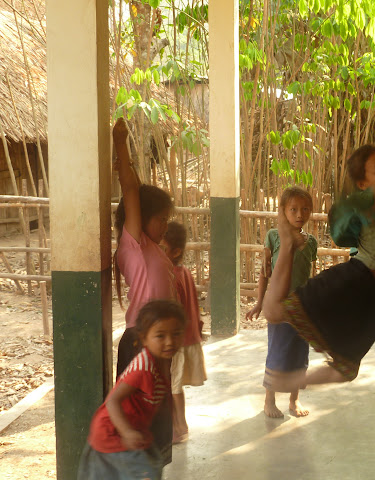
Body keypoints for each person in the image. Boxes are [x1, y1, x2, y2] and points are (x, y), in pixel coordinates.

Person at [262, 133, 375, 387]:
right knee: (273, 312)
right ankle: (288, 244)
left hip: (370, 290)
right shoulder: (368, 203)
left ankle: (294, 381)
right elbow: (341, 222)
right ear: (363, 184)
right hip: (350, 279)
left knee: (347, 369)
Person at [112, 117, 176, 464]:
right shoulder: (134, 243)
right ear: (139, 218)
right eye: (160, 218)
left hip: (158, 341)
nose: (165, 225)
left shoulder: (154, 249)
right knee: (140, 417)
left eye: (167, 219)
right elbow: (130, 189)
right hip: (140, 340)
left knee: (157, 415)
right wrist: (120, 144)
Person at [77, 300, 186, 480]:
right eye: (160, 336)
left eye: (176, 334)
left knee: (152, 466)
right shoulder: (144, 367)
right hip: (114, 433)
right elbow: (112, 401)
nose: (169, 342)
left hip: (135, 431)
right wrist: (127, 431)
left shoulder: (162, 360)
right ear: (144, 338)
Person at [245, 187, 317, 418]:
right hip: (279, 307)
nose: (299, 214)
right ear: (283, 211)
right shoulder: (273, 236)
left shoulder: (311, 242)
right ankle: (269, 400)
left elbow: (309, 274)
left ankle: (294, 400)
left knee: (299, 353)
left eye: (305, 209)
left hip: (302, 308)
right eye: (293, 209)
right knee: (278, 352)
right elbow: (265, 272)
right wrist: (259, 302)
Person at [162, 222, 207, 443]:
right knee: (175, 385)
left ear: (175, 252)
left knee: (174, 387)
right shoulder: (185, 272)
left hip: (178, 342)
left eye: (162, 249)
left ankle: (180, 426)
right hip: (188, 337)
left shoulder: (171, 276)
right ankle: (178, 424)